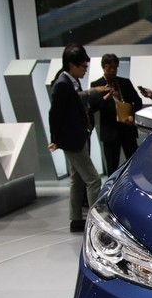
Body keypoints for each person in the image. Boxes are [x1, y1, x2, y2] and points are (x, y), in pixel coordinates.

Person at [47, 43, 110, 232]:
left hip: (76, 138)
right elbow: (54, 114)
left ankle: (76, 219)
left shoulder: (69, 82)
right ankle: (95, 224)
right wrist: (55, 138)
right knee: (93, 179)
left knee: (78, 179)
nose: (85, 70)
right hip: (72, 140)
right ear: (71, 65)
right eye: (83, 66)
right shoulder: (62, 85)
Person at [91, 53, 143, 175]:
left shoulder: (124, 83)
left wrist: (133, 115)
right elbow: (93, 107)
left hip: (127, 128)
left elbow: (138, 101)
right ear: (103, 67)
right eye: (110, 67)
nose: (113, 70)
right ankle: (111, 192)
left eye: (115, 67)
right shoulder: (96, 85)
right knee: (112, 166)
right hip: (110, 131)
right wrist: (105, 98)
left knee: (133, 162)